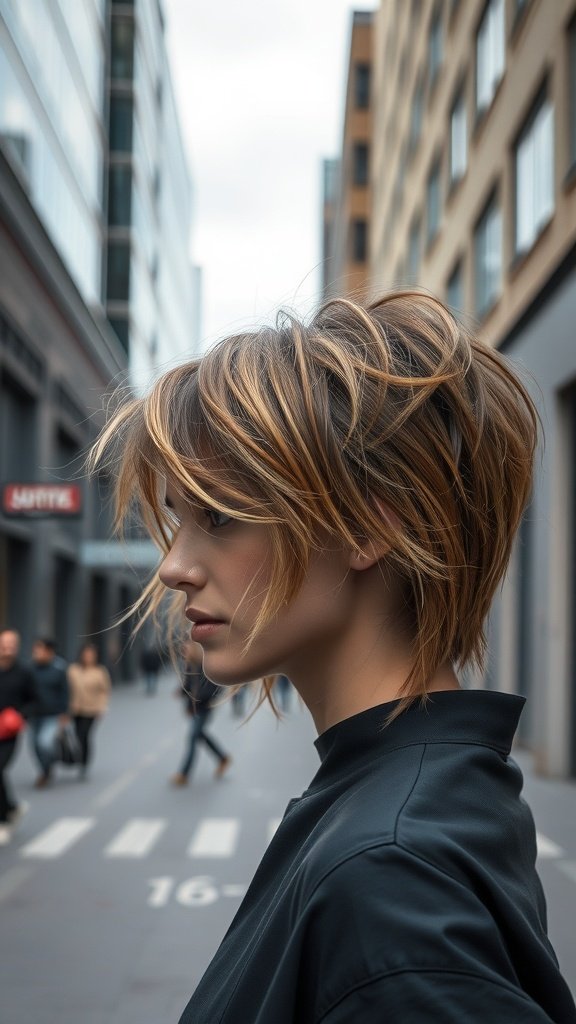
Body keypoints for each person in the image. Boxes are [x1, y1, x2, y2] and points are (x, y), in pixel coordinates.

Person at [92, 292, 576, 1023]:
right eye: (176, 520)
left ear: (367, 528)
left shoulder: (390, 871)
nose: (174, 567)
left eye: (219, 516)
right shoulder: (423, 795)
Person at [171, 640, 231, 786]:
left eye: (186, 649)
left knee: (193, 737)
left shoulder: (206, 666)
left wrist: (203, 698)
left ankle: (183, 774)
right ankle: (223, 758)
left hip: (205, 707)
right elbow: (187, 686)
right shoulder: (189, 666)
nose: (184, 652)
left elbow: (217, 687)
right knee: (200, 735)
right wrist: (181, 693)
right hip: (195, 708)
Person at [0, 629, 34, 843]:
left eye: (13, 643)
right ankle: (12, 807)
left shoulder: (24, 672)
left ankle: (3, 819)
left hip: (9, 734)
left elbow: (34, 701)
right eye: (5, 642)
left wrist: (20, 715)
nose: (8, 646)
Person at [29, 638, 69, 788]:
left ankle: (47, 768)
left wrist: (64, 713)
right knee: (35, 746)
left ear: (49, 651)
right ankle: (45, 769)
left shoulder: (59, 669)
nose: (36, 653)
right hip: (34, 714)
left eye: (39, 650)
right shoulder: (30, 669)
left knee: (44, 743)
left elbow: (65, 691)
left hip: (52, 714)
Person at [67, 642, 111, 778]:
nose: (88, 657)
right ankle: (80, 758)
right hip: (75, 709)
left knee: (84, 735)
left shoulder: (100, 671)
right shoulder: (73, 669)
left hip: (92, 709)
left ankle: (84, 763)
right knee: (77, 734)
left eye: (91, 655)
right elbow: (66, 688)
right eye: (86, 654)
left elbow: (105, 691)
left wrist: (102, 707)